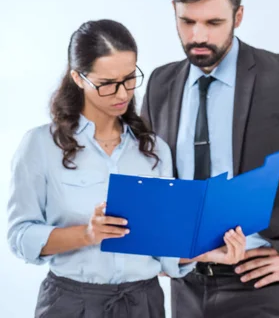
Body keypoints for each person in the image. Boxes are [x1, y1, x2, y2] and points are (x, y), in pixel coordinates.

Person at [141, 0, 279, 318]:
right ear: (173, 11)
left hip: (258, 283)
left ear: (239, 16)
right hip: (181, 283)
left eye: (213, 22)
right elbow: (149, 178)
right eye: (187, 21)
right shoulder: (159, 84)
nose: (198, 36)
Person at [6, 19, 245, 318]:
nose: (122, 94)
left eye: (130, 78)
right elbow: (20, 236)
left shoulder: (155, 150)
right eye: (107, 84)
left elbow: (165, 247)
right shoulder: (40, 145)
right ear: (78, 78)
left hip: (143, 303)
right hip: (70, 304)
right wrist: (87, 234)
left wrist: (211, 252)